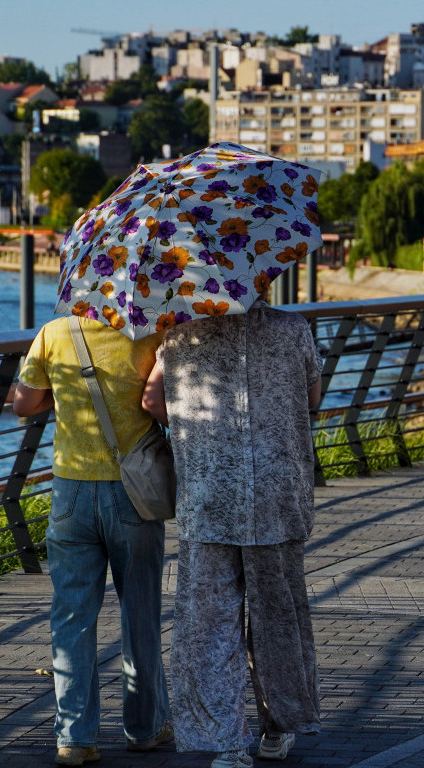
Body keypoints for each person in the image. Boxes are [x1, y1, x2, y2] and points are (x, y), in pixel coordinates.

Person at [142, 297, 323, 768]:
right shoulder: (292, 329)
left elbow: (152, 401)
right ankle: (277, 729)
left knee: (209, 627)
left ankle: (226, 743)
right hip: (278, 495)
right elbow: (312, 399)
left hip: (209, 498)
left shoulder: (180, 336)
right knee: (278, 620)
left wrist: (195, 425)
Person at [12, 316, 172, 766]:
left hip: (70, 491)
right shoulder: (153, 332)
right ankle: (145, 728)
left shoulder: (54, 332)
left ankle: (75, 738)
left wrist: (63, 394)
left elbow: (23, 405)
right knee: (140, 611)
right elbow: (158, 402)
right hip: (134, 489)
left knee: (72, 616)